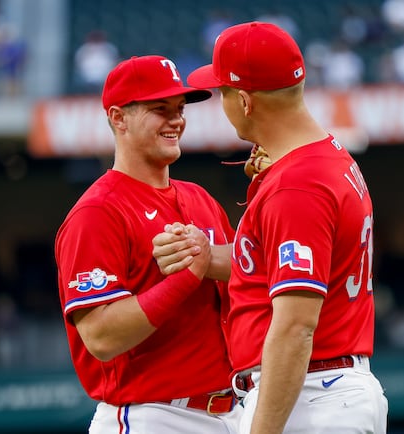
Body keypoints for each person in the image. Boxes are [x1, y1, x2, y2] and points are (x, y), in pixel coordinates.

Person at [155, 21, 388, 434]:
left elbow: (296, 327)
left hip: (311, 395)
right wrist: (206, 257)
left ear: (244, 101)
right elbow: (271, 265)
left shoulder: (297, 185)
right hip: (322, 389)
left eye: (224, 92)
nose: (221, 103)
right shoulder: (323, 157)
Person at [55, 55, 240, 434]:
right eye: (160, 109)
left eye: (179, 108)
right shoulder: (98, 211)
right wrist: (185, 278)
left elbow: (243, 284)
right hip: (151, 415)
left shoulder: (201, 199)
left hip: (230, 410)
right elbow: (101, 337)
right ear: (119, 118)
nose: (177, 120)